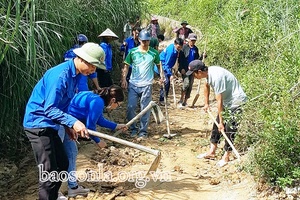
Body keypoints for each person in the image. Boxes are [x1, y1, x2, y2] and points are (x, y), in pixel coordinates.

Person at [23, 42, 106, 200]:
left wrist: (68, 126)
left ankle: (52, 197)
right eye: (93, 66)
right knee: (49, 173)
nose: (93, 71)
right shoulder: (61, 75)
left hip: (51, 124)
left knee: (62, 165)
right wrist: (74, 122)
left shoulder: (75, 75)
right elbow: (50, 108)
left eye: (95, 68)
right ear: (81, 59)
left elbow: (64, 104)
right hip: (38, 124)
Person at [58, 85, 127, 198]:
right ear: (113, 100)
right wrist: (98, 141)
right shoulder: (98, 102)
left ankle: (73, 187)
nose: (116, 107)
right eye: (118, 105)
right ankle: (55, 191)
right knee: (58, 158)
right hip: (62, 125)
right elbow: (90, 126)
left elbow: (99, 119)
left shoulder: (95, 97)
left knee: (72, 153)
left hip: (68, 125)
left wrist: (116, 126)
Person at [186, 60, 247, 167]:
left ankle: (226, 156)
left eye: (194, 74)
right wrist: (206, 103)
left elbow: (219, 101)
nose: (194, 77)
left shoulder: (217, 77)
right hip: (228, 102)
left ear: (199, 71)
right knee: (216, 126)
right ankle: (212, 151)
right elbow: (206, 86)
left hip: (236, 101)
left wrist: (222, 123)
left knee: (229, 128)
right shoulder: (209, 73)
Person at [121, 29, 160, 140]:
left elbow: (159, 65)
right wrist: (124, 79)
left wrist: (162, 76)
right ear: (139, 40)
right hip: (133, 84)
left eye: (147, 41)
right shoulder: (133, 52)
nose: (145, 43)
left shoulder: (154, 53)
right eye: (143, 41)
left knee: (145, 108)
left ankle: (143, 131)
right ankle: (133, 129)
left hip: (147, 84)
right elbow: (126, 66)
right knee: (131, 106)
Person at [177, 33, 205, 107]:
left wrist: (202, 56)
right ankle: (181, 99)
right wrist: (181, 68)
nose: (193, 42)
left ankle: (185, 101)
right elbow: (180, 59)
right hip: (185, 69)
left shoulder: (195, 49)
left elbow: (197, 60)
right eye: (192, 40)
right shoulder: (184, 48)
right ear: (189, 40)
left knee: (190, 85)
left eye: (194, 40)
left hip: (193, 70)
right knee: (186, 84)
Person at [158, 38, 184, 105]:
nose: (179, 49)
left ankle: (164, 99)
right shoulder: (171, 51)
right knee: (166, 82)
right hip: (162, 66)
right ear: (175, 44)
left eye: (181, 47)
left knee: (168, 83)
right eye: (178, 47)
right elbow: (166, 64)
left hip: (168, 67)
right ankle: (162, 100)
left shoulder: (176, 50)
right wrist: (170, 74)